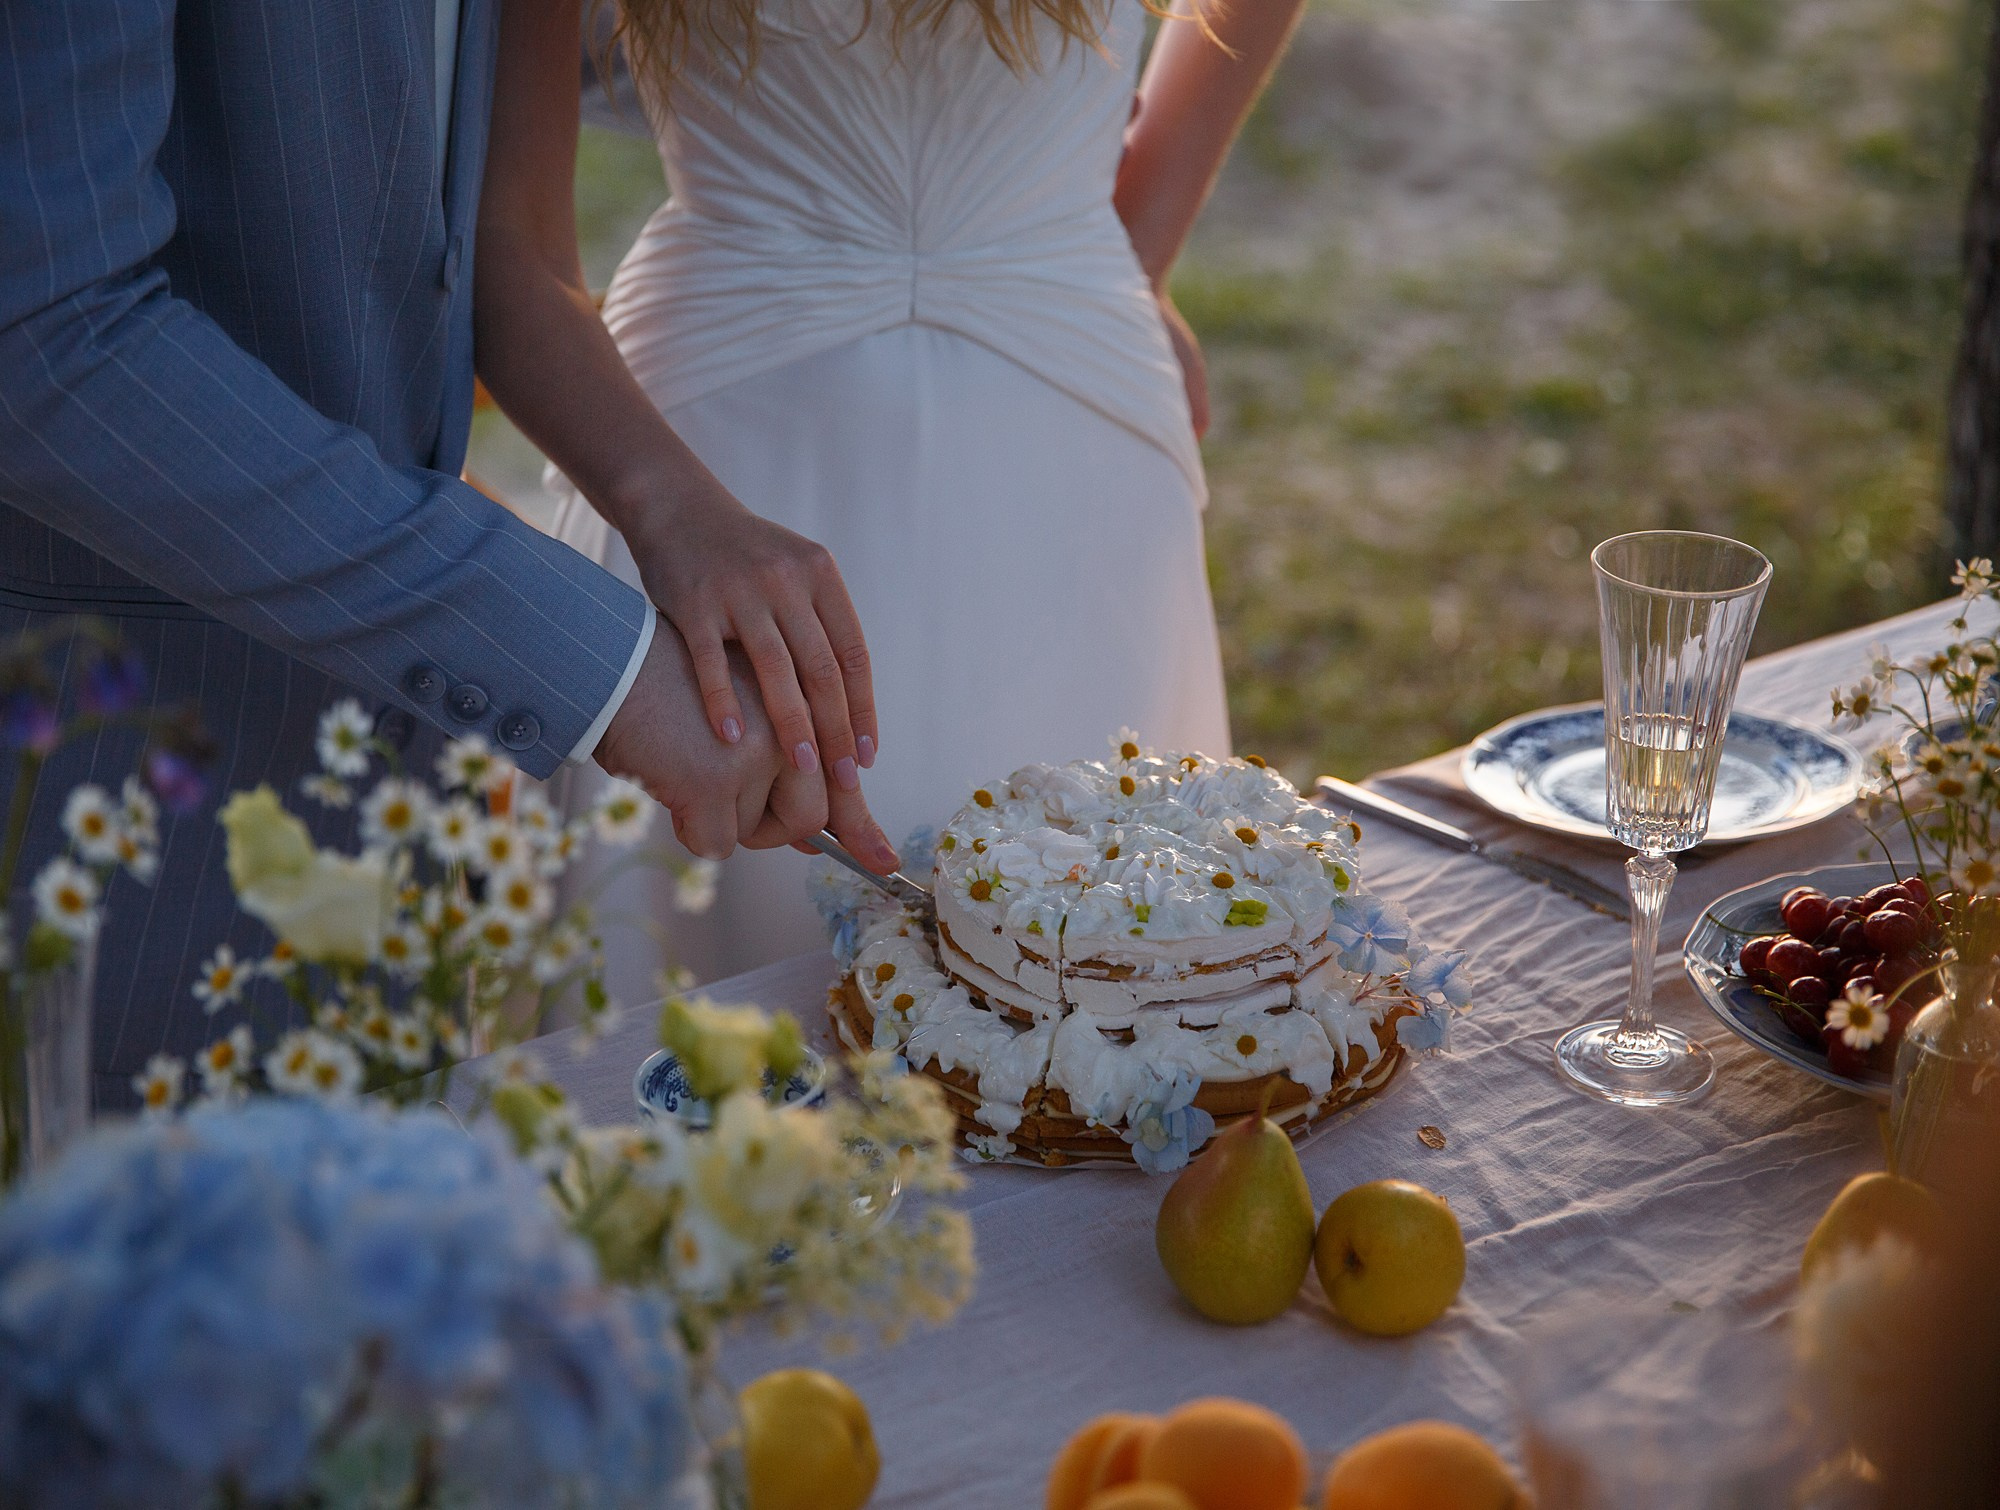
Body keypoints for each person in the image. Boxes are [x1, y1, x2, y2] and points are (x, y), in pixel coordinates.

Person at [0, 0, 894, 1106]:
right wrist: (593, 669)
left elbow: (457, 235)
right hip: (118, 825)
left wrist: (673, 506)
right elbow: (43, 330)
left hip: (385, 833)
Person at [479, 0, 1303, 985]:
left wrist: (1134, 238)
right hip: (705, 486)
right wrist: (667, 509)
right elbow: (507, 244)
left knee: (1117, 1017)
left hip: (1064, 409)